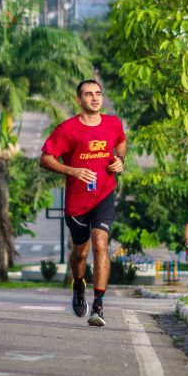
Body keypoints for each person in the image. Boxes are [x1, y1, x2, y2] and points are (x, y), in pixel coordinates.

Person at [39, 79, 126, 327]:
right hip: (77, 202)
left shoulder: (113, 124)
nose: (95, 98)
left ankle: (98, 306)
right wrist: (73, 171)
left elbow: (121, 142)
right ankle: (78, 285)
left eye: (98, 93)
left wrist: (120, 159)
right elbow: (45, 159)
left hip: (104, 194)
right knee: (80, 253)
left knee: (101, 244)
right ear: (79, 100)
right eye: (88, 94)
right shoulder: (67, 129)